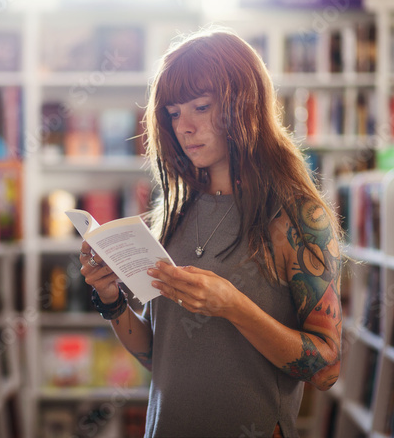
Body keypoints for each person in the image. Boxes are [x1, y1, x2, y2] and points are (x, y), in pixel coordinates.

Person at [79, 27, 344, 438]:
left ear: (245, 106)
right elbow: (158, 354)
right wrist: (111, 299)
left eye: (200, 107)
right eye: (172, 112)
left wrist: (233, 306)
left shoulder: (295, 217)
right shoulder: (173, 213)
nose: (183, 126)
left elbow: (326, 370)